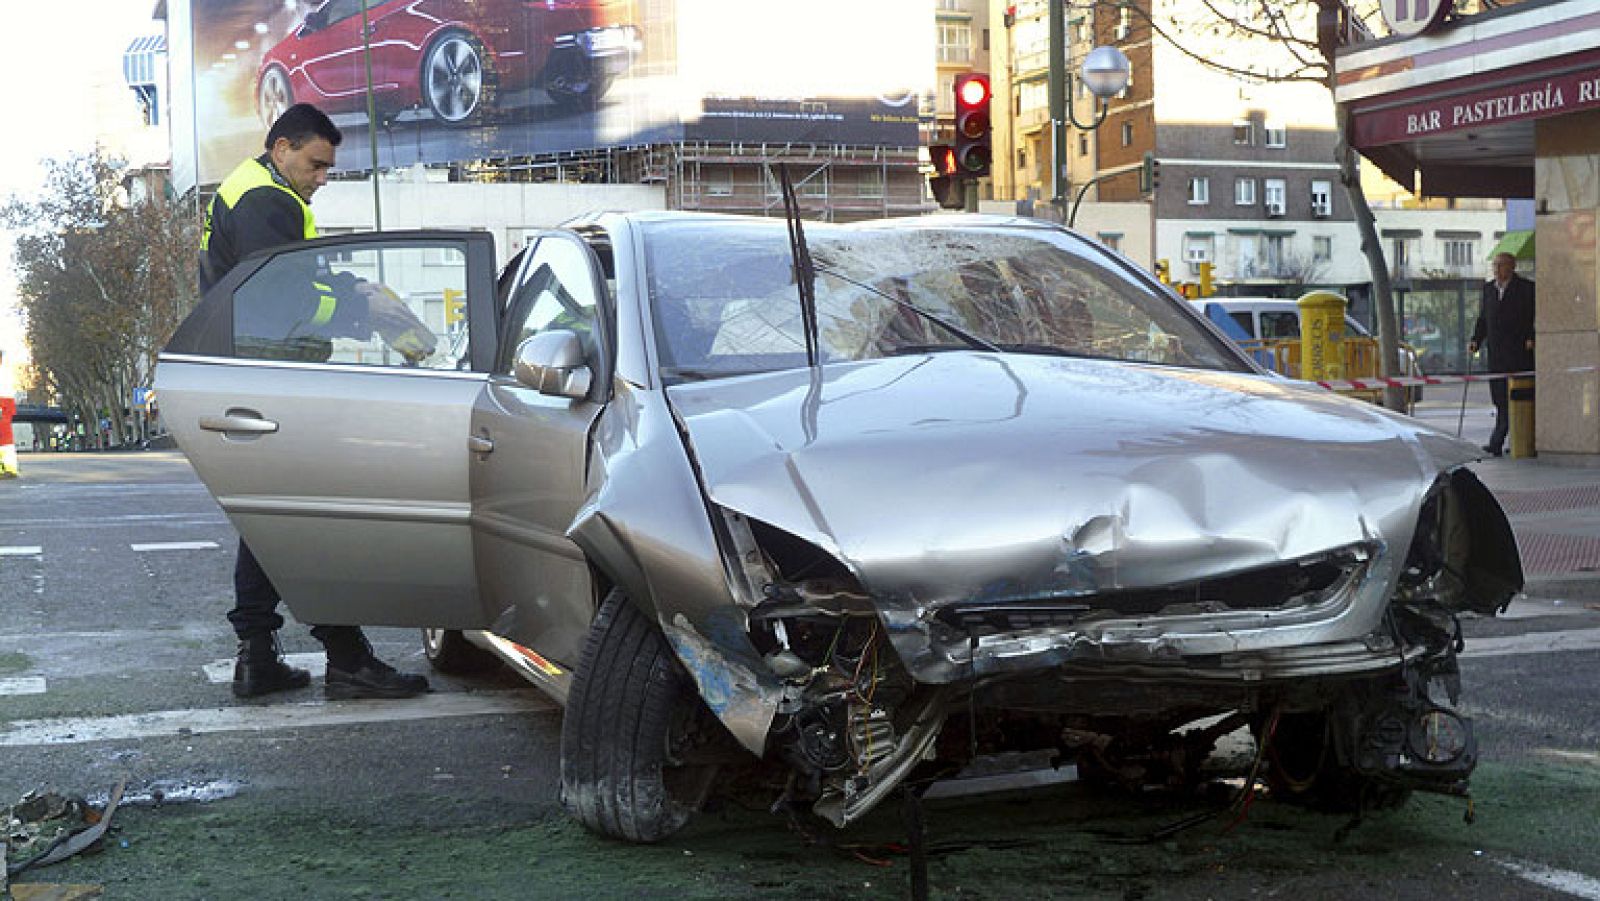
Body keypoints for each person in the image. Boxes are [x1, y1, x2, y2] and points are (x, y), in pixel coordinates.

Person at [201, 103, 433, 700]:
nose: (323, 177)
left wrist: (353, 289)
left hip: (255, 376)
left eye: (328, 168)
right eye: (316, 164)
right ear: (282, 149)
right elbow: (281, 302)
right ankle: (345, 657)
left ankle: (260, 658)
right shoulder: (267, 202)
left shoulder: (259, 191)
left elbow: (294, 282)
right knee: (301, 518)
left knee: (274, 519)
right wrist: (364, 312)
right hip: (271, 378)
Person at [1468, 252, 1536, 457]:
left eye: (1501, 265)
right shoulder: (1489, 289)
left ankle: (1504, 441)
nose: (1497, 270)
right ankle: (1502, 439)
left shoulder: (1526, 288)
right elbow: (1483, 319)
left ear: (1512, 267)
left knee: (1518, 398)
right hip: (1496, 354)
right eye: (1495, 265)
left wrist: (1531, 337)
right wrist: (1475, 340)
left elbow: (1533, 315)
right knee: (1499, 399)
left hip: (1518, 353)